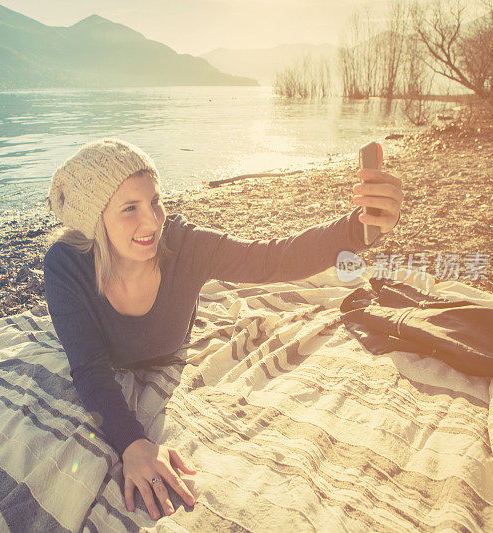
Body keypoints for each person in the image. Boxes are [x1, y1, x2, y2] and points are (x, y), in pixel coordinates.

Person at [42, 138, 403, 521]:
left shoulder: (183, 245)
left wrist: (360, 228)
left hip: (170, 352)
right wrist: (132, 442)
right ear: (96, 219)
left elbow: (271, 259)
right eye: (130, 208)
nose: (152, 221)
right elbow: (90, 370)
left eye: (155, 201)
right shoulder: (66, 266)